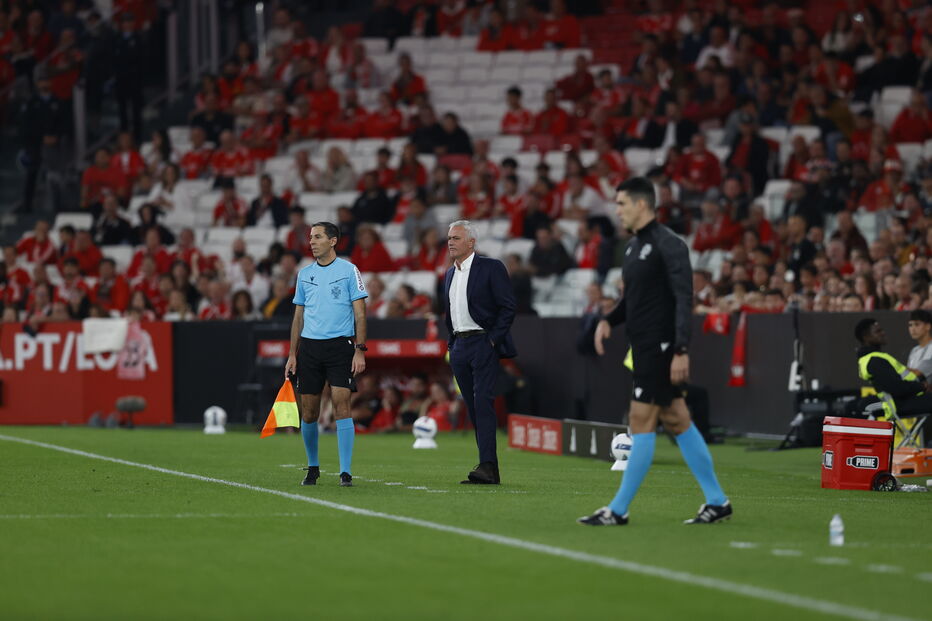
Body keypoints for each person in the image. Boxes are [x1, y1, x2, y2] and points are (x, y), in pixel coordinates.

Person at [579, 177, 731, 526]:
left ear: (642, 204)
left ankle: (617, 510)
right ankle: (718, 501)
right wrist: (608, 320)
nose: (617, 211)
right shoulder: (633, 248)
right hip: (645, 345)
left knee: (640, 420)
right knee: (678, 419)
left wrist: (680, 349)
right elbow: (632, 299)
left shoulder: (670, 244)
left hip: (661, 348)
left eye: (621, 204)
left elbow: (683, 298)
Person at [285, 222, 368, 488]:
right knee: (309, 413)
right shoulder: (304, 274)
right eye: (311, 237)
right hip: (309, 349)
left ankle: (345, 471)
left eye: (318, 237)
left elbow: (360, 313)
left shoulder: (349, 271)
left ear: (333, 241)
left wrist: (360, 350)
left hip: (339, 347)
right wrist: (292, 354)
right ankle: (312, 467)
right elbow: (298, 316)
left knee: (341, 405)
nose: (312, 241)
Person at [443, 220, 517, 484]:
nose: (450, 242)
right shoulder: (449, 273)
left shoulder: (491, 267)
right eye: (449, 238)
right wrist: (451, 342)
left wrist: (493, 341)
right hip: (459, 346)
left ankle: (488, 465)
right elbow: (449, 311)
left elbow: (508, 306)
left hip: (482, 343)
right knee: (473, 407)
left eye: (456, 238)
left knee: (483, 402)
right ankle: (487, 465)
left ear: (471, 242)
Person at [855, 317, 932, 418]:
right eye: (878, 331)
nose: (883, 333)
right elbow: (896, 387)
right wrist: (922, 386)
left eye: (881, 330)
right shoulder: (874, 360)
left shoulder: (876, 357)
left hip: (907, 398)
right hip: (901, 403)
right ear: (866, 337)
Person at [907, 310, 932, 379]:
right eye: (910, 325)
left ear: (928, 326)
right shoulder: (914, 350)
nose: (913, 329)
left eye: (917, 324)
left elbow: (918, 373)